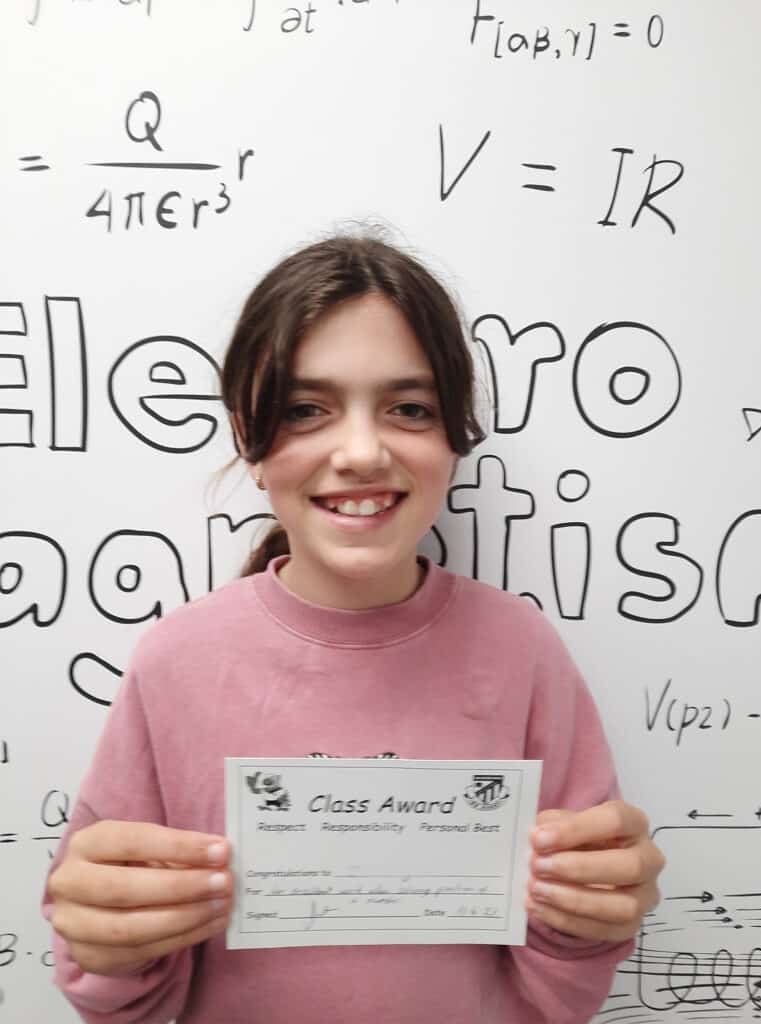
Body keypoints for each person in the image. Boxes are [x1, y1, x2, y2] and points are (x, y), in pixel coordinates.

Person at [42, 233, 665, 1024]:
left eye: (410, 408)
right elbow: (117, 988)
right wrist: (109, 945)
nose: (362, 452)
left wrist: (590, 919)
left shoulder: (522, 650)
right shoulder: (178, 658)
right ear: (249, 437)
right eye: (306, 410)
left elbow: (564, 984)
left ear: (452, 438)